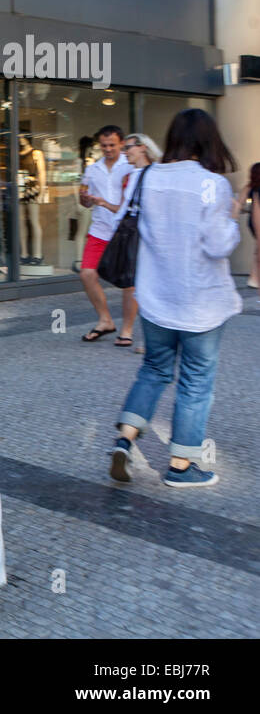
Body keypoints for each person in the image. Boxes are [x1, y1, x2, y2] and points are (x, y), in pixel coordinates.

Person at [107, 110, 241, 489]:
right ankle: (182, 465)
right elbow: (218, 245)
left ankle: (125, 439)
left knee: (153, 370)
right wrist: (232, 220)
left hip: (156, 298)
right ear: (208, 140)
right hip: (200, 302)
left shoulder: (148, 178)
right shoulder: (212, 184)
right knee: (196, 382)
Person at [78, 125, 136, 345]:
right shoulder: (93, 169)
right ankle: (105, 320)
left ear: (121, 143)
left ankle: (127, 330)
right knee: (87, 273)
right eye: (104, 145)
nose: (108, 149)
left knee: (129, 283)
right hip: (100, 228)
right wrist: (84, 198)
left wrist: (103, 202)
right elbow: (83, 200)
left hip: (124, 231)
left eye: (112, 144)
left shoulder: (129, 166)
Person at [245, 162, 260, 289]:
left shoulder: (250, 187)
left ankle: (254, 278)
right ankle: (254, 278)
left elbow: (241, 203)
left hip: (251, 220)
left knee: (257, 248)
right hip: (257, 220)